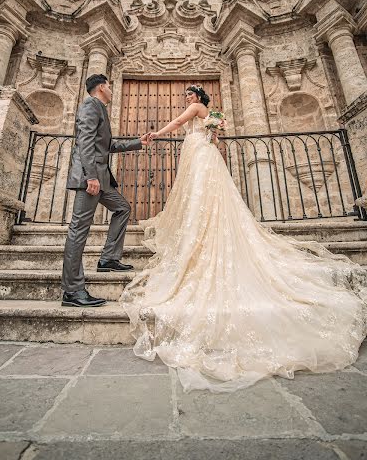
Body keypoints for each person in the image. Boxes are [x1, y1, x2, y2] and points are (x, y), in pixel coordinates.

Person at [121, 85, 366, 393]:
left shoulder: (198, 111)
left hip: (200, 158)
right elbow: (213, 138)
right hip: (205, 156)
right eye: (185, 94)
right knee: (206, 198)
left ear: (198, 98)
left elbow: (180, 123)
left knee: (202, 198)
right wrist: (207, 133)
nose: (186, 97)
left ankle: (199, 239)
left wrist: (157, 134)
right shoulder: (212, 118)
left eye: (190, 93)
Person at [62, 74, 149, 308]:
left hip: (101, 179)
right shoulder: (91, 106)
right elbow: (85, 143)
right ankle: (72, 291)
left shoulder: (100, 108)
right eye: (109, 86)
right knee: (78, 230)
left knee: (122, 208)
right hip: (90, 179)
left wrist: (137, 142)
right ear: (101, 87)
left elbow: (107, 146)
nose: (111, 90)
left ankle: (109, 258)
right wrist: (90, 176)